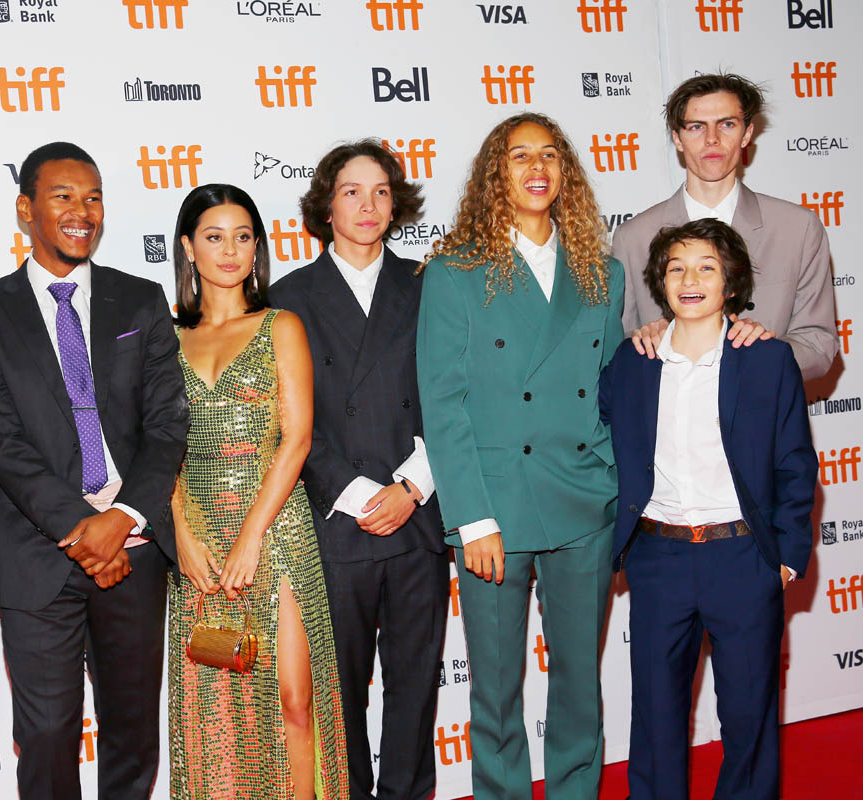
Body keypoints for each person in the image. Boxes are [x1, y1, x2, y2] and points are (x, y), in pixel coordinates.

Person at [0, 142, 188, 799]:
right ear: (26, 209)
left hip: (136, 549)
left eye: (93, 197)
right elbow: (1, 443)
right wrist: (88, 530)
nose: (81, 211)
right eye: (63, 196)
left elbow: (167, 425)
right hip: (40, 553)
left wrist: (123, 519)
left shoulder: (140, 300)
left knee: (132, 733)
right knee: (48, 735)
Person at [416, 113, 624, 800]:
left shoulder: (604, 273)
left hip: (583, 503)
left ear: (566, 172)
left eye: (549, 155)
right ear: (494, 174)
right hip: (494, 511)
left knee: (580, 685)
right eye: (518, 156)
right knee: (497, 691)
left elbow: (612, 391)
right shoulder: (454, 274)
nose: (537, 167)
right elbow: (443, 406)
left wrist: (614, 486)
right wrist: (472, 518)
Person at [599, 218, 816, 799]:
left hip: (743, 557)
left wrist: (787, 557)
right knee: (655, 715)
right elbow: (598, 436)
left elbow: (795, 462)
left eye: (706, 268)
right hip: (658, 557)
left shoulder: (767, 359)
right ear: (660, 282)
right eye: (676, 268)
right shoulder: (632, 361)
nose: (689, 280)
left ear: (731, 283)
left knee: (748, 716)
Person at [270, 140, 448, 800]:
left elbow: (456, 397)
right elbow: (285, 418)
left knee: (415, 690)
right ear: (327, 205)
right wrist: (354, 492)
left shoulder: (431, 286)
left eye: (380, 192)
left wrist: (412, 486)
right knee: (337, 696)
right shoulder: (287, 297)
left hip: (417, 518)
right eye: (351, 191)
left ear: (395, 205)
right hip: (334, 525)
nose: (367, 205)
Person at [167, 183, 348, 800]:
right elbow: (157, 448)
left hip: (276, 535)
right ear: (188, 248)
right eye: (214, 237)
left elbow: (297, 440)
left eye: (243, 237)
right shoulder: (167, 339)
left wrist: (251, 538)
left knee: (294, 699)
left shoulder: (280, 325)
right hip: (200, 546)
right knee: (216, 708)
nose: (230, 251)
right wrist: (181, 535)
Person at [613, 72, 836, 380]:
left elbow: (819, 344)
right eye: (696, 127)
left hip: (761, 406)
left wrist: (763, 355)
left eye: (727, 124)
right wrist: (647, 343)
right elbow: (616, 349)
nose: (712, 139)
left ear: (747, 134)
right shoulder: (634, 237)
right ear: (677, 138)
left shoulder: (797, 229)